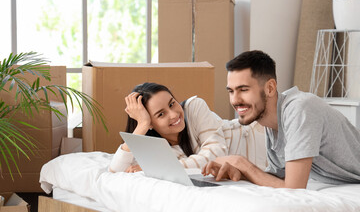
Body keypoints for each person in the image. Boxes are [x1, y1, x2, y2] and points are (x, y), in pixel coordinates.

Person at [202, 50, 360, 188]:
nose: (235, 100)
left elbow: (294, 188)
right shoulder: (272, 125)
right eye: (231, 91)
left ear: (270, 88)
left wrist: (242, 163)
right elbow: (278, 179)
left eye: (243, 90)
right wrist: (237, 172)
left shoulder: (300, 109)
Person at [109, 82, 266, 173]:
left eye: (172, 104)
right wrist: (142, 124)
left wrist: (161, 168)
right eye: (161, 114)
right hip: (263, 168)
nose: (173, 114)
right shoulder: (157, 148)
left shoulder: (194, 107)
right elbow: (115, 171)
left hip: (262, 137)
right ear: (150, 123)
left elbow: (215, 156)